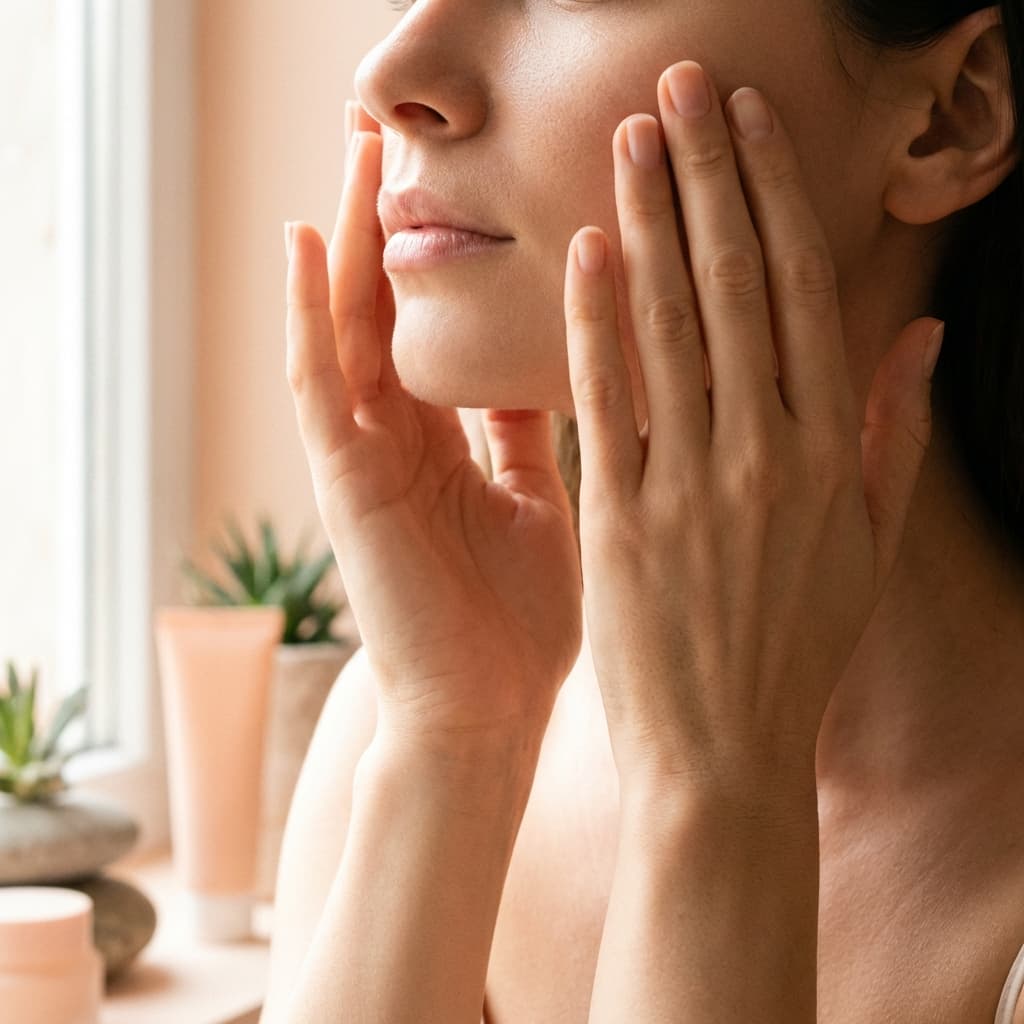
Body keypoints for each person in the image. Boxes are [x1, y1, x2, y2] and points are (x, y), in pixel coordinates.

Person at [263, 0, 1024, 1020]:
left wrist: (716, 796)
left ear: (949, 116)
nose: (392, 69)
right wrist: (458, 738)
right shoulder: (402, 718)